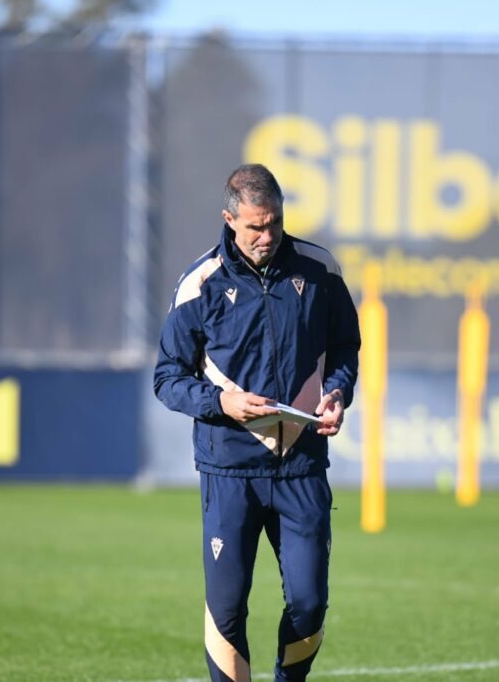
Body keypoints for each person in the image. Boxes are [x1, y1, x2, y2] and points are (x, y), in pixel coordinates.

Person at [154, 163, 361, 681]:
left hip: (302, 467)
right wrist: (223, 404)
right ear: (229, 219)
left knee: (310, 604)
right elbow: (166, 377)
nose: (268, 236)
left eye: (275, 223)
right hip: (229, 471)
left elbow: (344, 347)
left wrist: (338, 392)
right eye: (255, 227)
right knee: (226, 613)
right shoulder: (198, 284)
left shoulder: (320, 270)